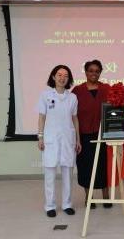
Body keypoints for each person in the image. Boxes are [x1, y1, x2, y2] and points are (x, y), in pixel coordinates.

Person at [37, 64, 81, 218]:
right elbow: (42, 117)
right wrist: (40, 137)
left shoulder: (73, 97)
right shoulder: (45, 95)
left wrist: (78, 140)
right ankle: (50, 206)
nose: (62, 78)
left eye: (66, 75)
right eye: (59, 75)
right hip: (50, 139)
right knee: (49, 173)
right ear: (54, 77)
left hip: (68, 139)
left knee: (67, 172)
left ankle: (67, 204)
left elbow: (75, 119)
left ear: (69, 79)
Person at [72, 60, 112, 209]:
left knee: (104, 166)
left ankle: (106, 197)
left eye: (97, 71)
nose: (94, 73)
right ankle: (89, 198)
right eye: (91, 70)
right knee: (85, 167)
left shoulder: (107, 88)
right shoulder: (77, 91)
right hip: (84, 136)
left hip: (104, 136)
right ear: (86, 72)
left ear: (100, 73)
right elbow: (71, 114)